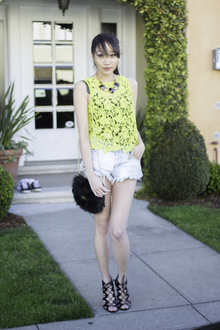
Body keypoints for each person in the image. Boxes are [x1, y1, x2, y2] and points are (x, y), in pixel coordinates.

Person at [74, 33, 145, 313]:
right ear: (93, 55)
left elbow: (130, 121)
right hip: (99, 160)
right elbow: (82, 133)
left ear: (118, 56)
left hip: (126, 157)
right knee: (102, 227)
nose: (108, 61)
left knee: (117, 230)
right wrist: (90, 173)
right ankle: (106, 284)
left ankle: (122, 280)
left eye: (113, 55)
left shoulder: (131, 84)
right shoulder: (84, 87)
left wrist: (141, 142)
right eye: (102, 55)